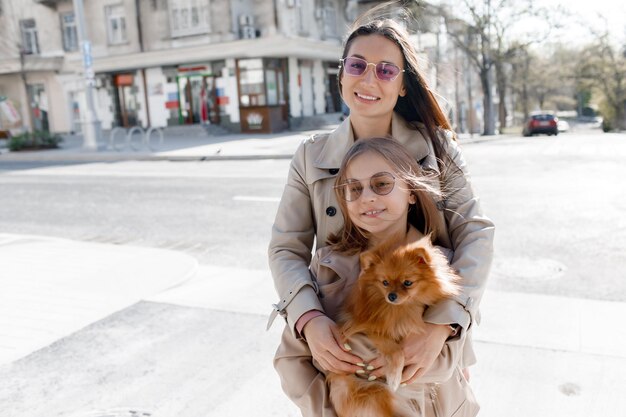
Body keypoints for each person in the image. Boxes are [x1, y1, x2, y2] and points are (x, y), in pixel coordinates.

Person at [267, 10, 494, 416]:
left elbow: (475, 234)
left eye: (386, 70)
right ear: (341, 74)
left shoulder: (436, 149)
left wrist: (442, 327)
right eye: (357, 65)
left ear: (404, 84)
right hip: (344, 343)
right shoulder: (310, 156)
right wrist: (310, 320)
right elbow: (286, 248)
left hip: (419, 339)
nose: (368, 79)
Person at [274, 136, 480, 417]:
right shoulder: (327, 267)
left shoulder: (443, 265)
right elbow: (290, 360)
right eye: (354, 189)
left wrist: (420, 356)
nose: (367, 197)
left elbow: (457, 363)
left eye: (382, 184)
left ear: (411, 191)